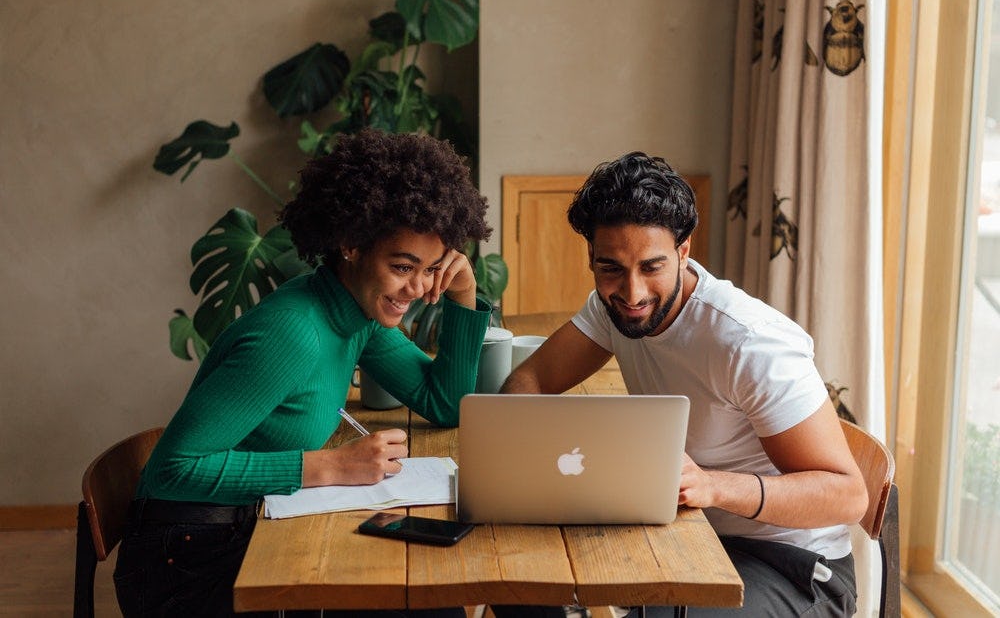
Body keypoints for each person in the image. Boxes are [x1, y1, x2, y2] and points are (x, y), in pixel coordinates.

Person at [113, 129, 493, 618]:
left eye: (431, 269)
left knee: (429, 596)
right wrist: (331, 466)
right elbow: (172, 470)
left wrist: (463, 292)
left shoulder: (356, 313)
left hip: (257, 525)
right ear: (351, 245)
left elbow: (443, 402)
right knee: (425, 604)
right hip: (187, 563)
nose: (417, 288)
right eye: (403, 267)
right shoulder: (292, 334)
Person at [495, 152, 868, 617]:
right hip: (688, 535)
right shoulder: (611, 306)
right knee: (518, 582)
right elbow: (531, 378)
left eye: (652, 267)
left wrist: (712, 486)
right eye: (610, 268)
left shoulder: (748, 342)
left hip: (792, 567)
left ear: (684, 251)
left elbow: (848, 494)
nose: (632, 293)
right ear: (591, 257)